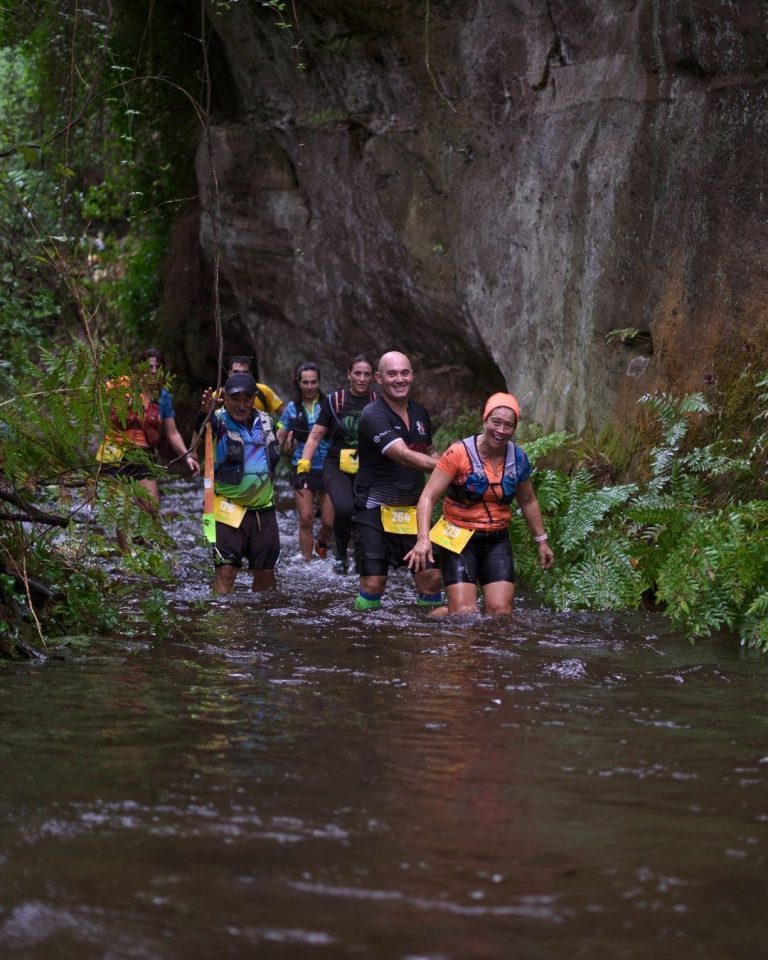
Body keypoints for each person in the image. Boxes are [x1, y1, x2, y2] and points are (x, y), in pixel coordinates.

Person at [405, 392, 554, 616]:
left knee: (500, 612)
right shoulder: (458, 453)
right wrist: (423, 539)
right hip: (457, 538)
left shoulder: (519, 459)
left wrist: (542, 542)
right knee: (464, 614)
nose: (501, 430)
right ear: (485, 420)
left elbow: (528, 500)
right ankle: (433, 624)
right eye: (496, 422)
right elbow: (428, 496)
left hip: (496, 540)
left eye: (508, 425)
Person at [351, 350, 442, 611]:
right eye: (392, 374)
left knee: (431, 578)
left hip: (413, 510)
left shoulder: (421, 412)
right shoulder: (372, 414)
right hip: (373, 508)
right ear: (379, 378)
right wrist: (450, 466)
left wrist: (446, 457)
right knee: (374, 582)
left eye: (405, 372)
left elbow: (426, 450)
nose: (399, 379)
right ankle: (365, 636)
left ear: (412, 375)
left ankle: (426, 633)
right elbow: (402, 455)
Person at [197, 373, 280, 594]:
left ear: (254, 398)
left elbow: (284, 438)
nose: (242, 405)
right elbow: (201, 427)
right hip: (226, 508)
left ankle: (258, 625)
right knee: (226, 571)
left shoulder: (267, 421)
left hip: (263, 510)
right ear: (225, 398)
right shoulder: (217, 420)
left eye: (247, 399)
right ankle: (222, 623)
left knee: (266, 573)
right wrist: (203, 414)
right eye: (236, 399)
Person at [297, 354, 376, 574]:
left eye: (366, 374)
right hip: (336, 466)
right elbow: (314, 437)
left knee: (365, 512)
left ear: (373, 377)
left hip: (367, 467)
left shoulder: (378, 403)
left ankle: (362, 556)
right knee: (343, 508)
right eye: (357, 373)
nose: (361, 378)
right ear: (349, 374)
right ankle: (340, 554)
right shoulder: (334, 401)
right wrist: (303, 467)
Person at [96, 347, 200, 505]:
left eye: (157, 367)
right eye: (149, 367)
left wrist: (187, 456)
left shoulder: (163, 397)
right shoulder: (122, 385)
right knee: (119, 509)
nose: (153, 371)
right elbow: (96, 396)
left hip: (143, 453)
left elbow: (172, 433)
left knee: (151, 507)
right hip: (113, 448)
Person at [277, 363, 334, 561]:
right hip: (302, 467)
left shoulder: (329, 405)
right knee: (306, 517)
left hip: (328, 467)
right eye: (305, 382)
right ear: (298, 383)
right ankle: (307, 561)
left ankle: (322, 541)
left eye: (313, 382)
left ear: (319, 383)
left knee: (328, 521)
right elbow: (280, 436)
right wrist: (276, 453)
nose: (310, 386)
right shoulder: (291, 409)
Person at [200, 355, 284, 419]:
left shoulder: (263, 391)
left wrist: (278, 431)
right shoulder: (218, 395)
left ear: (250, 374)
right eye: (236, 372)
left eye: (244, 373)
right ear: (229, 373)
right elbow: (205, 427)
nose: (240, 376)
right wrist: (205, 414)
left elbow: (285, 418)